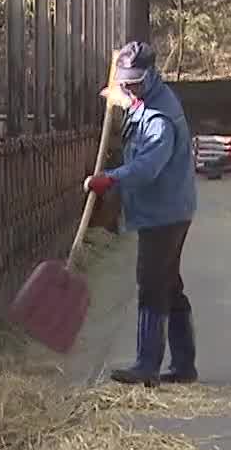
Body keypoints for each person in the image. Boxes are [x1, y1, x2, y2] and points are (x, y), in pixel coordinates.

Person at [84, 41, 198, 386]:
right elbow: (125, 99)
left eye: (135, 81)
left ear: (151, 74)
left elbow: (148, 166)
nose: (129, 87)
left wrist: (111, 179)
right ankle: (183, 365)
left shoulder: (159, 118)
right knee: (169, 285)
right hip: (168, 207)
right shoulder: (146, 100)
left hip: (164, 212)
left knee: (151, 285)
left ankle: (147, 365)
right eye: (125, 81)